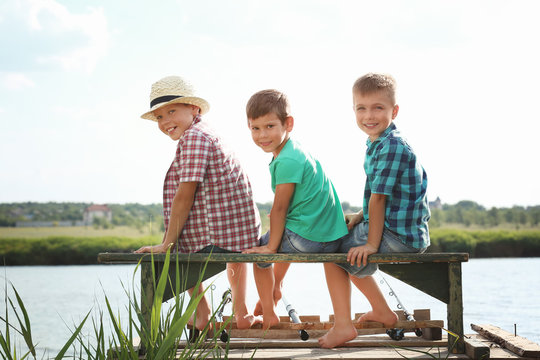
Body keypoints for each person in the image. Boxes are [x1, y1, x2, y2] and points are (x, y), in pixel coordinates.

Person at [134, 75, 262, 331]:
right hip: (239, 232)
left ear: (194, 108)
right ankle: (241, 313)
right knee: (224, 252)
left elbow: (185, 194)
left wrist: (167, 243)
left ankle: (201, 314)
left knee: (179, 247)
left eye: (171, 111)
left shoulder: (194, 138)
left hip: (221, 234)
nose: (165, 121)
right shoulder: (205, 132)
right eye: (159, 117)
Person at [318, 73, 431, 348]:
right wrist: (358, 217)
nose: (369, 115)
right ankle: (381, 311)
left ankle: (344, 326)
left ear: (394, 110)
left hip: (400, 236)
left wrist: (370, 243)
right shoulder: (377, 143)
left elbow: (379, 199)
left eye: (378, 108)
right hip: (395, 229)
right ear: (354, 109)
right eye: (361, 108)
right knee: (339, 240)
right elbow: (374, 195)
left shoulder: (392, 146)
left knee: (330, 251)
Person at [242, 89, 349, 330]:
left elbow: (279, 209)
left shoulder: (287, 160)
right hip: (330, 236)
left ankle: (269, 312)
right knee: (281, 233)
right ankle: (277, 285)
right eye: (255, 128)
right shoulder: (297, 150)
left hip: (310, 239)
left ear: (287, 123)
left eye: (269, 126)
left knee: (261, 254)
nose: (262, 135)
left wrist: (269, 248)